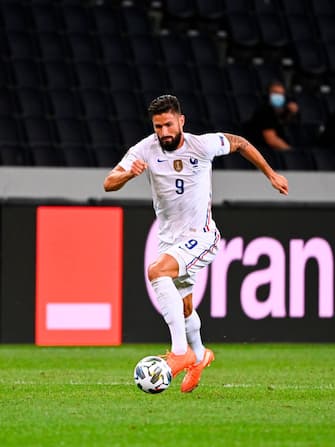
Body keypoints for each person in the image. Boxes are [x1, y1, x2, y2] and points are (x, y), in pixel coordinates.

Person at [103, 94, 288, 393]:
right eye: (157, 126)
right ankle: (200, 356)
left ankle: (180, 352)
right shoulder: (145, 150)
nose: (163, 132)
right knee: (185, 307)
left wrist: (271, 174)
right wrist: (126, 175)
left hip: (202, 237)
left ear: (181, 121)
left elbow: (240, 142)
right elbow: (108, 183)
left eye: (168, 125)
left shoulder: (202, 145)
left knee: (157, 272)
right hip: (170, 240)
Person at [246, 80, 299, 151]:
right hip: (262, 151)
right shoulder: (264, 111)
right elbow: (271, 140)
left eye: (281, 94)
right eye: (275, 93)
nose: (278, 96)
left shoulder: (282, 111)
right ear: (268, 94)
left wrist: (291, 113)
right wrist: (291, 152)